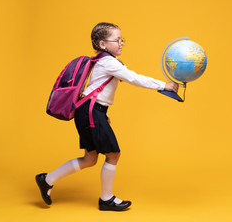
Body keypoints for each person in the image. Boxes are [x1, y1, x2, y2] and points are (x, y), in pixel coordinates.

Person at [36, 22, 178, 211]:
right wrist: (163, 85)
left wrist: (103, 113)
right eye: (116, 40)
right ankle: (106, 199)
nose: (121, 43)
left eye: (122, 40)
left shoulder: (102, 60)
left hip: (90, 110)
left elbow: (97, 89)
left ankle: (46, 180)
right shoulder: (108, 62)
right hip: (90, 111)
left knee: (90, 159)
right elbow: (133, 78)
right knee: (113, 154)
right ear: (102, 44)